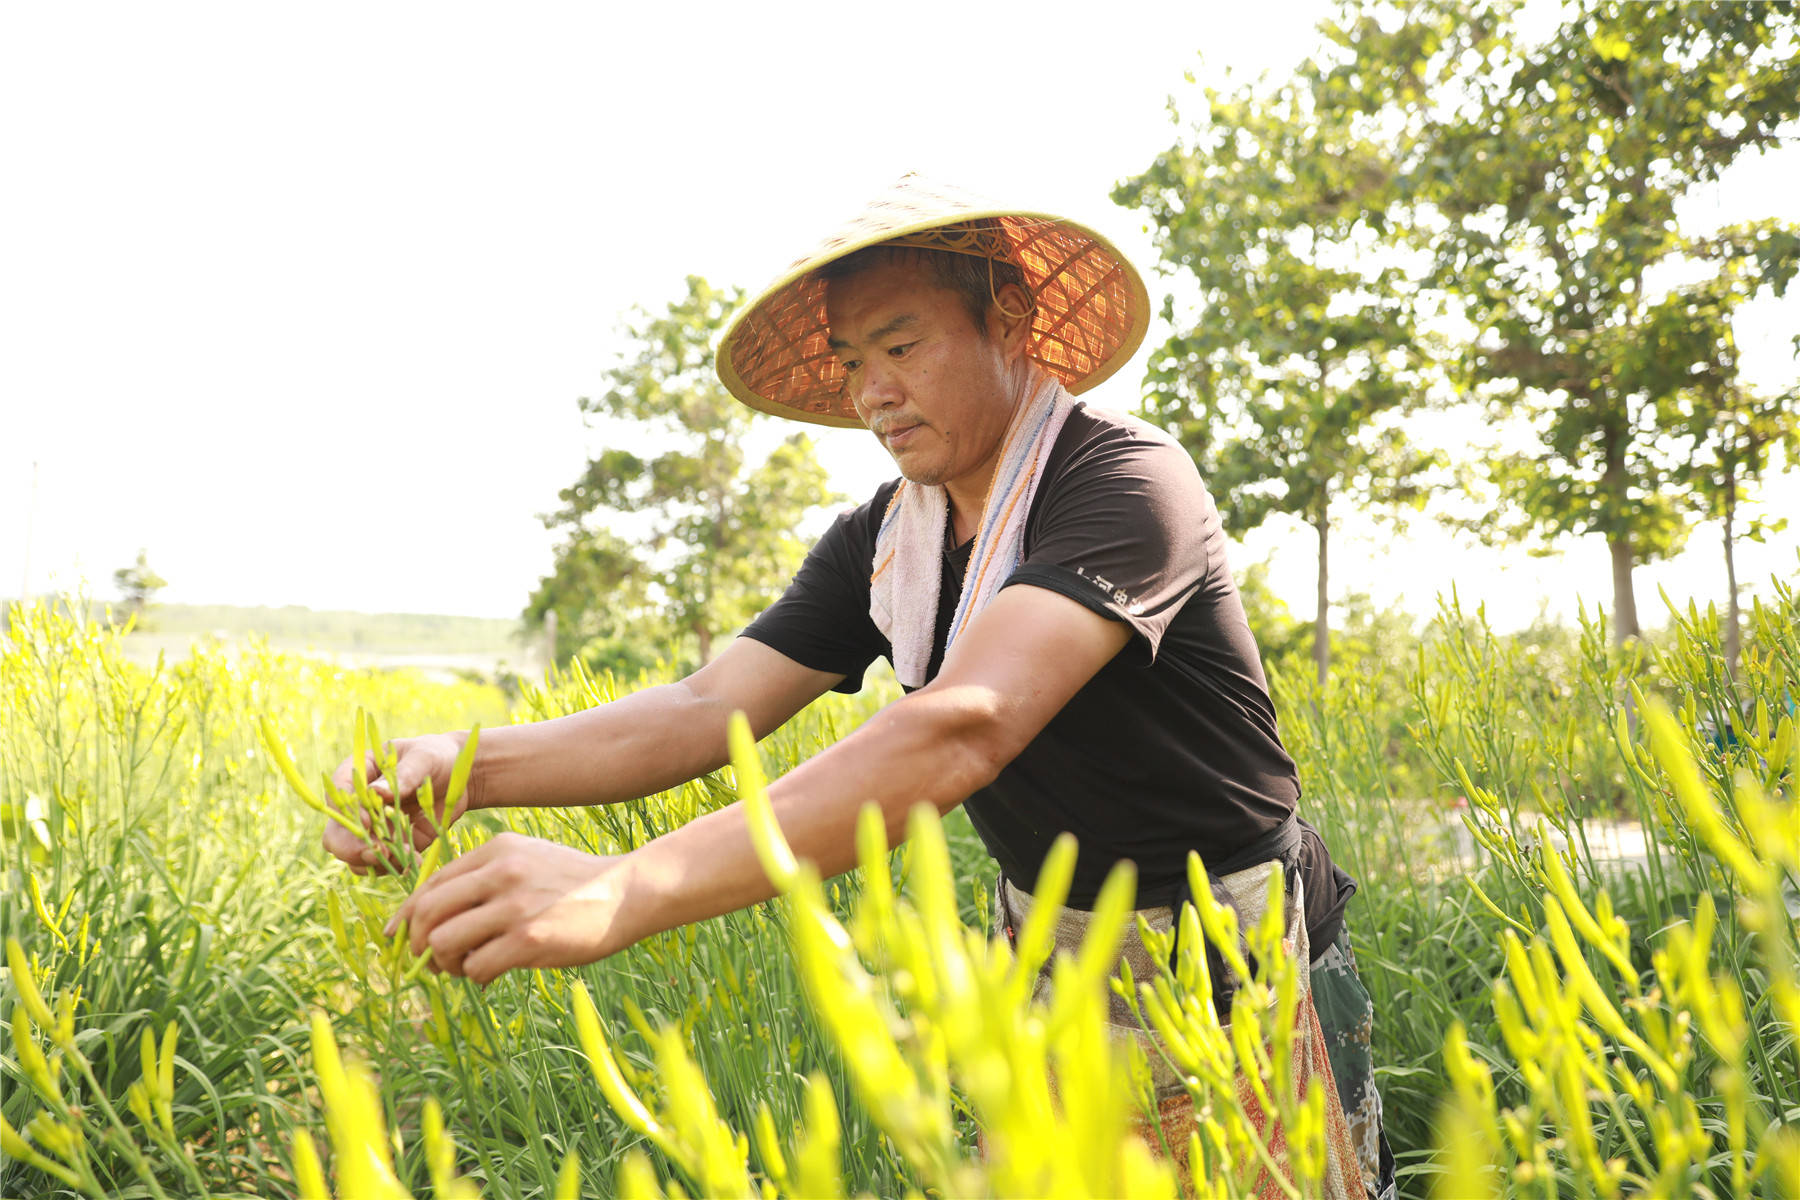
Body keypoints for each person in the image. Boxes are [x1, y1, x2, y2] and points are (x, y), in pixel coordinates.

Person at [326, 175, 1394, 1198]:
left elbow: (963, 726)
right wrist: (466, 767)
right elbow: (708, 711)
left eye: (902, 345)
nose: (872, 391)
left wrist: (622, 887)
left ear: (1010, 321)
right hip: (1052, 955)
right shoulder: (888, 540)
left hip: (1234, 954)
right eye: (851, 360)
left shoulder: (1125, 483)